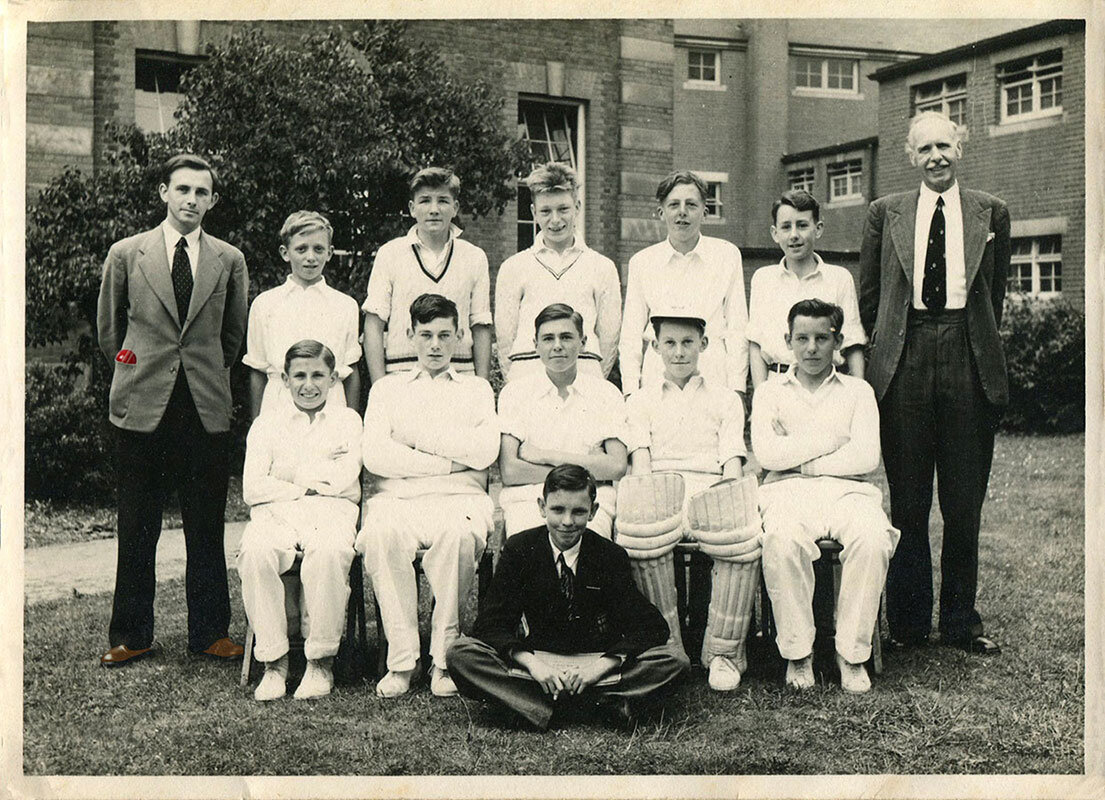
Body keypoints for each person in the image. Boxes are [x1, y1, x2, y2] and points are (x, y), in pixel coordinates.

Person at [859, 111, 1010, 655]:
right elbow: (871, 295)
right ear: (911, 155)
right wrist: (892, 348)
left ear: (960, 148)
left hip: (967, 354)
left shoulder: (991, 211)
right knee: (909, 501)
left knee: (964, 499)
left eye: (944, 146)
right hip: (908, 355)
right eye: (925, 149)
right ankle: (908, 625)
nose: (936, 157)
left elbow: (996, 292)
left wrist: (976, 346)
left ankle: (961, 621)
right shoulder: (885, 213)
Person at [96, 153, 248, 666]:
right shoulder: (126, 254)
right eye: (182, 189)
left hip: (203, 407)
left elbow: (232, 337)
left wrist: (200, 371)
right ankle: (131, 635)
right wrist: (141, 369)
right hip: (141, 408)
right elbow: (111, 332)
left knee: (206, 526)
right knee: (137, 524)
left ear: (212, 200)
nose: (191, 200)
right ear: (163, 192)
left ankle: (210, 633)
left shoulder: (229, 260)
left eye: (201, 192)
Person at [446, 464, 689, 730]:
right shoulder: (519, 549)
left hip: (593, 664)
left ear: (593, 511)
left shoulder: (608, 555)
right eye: (558, 510)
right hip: (538, 662)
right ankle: (601, 706)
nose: (567, 522)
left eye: (579, 511)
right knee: (461, 653)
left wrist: (597, 668)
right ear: (542, 507)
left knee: (675, 661)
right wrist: (534, 666)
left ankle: (534, 706)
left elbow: (650, 626)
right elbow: (491, 624)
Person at [751, 299, 899, 693]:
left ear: (838, 342)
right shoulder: (769, 392)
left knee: (872, 539)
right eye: (802, 338)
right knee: (781, 541)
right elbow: (766, 454)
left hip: (849, 491)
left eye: (822, 338)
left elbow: (866, 456)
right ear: (788, 341)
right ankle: (799, 654)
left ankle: (851, 654)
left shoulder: (858, 391)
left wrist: (799, 456)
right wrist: (832, 440)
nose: (812, 348)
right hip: (787, 493)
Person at [359, 294, 499, 699]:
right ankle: (403, 661)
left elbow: (485, 451)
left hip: (459, 500)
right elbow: (377, 456)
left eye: (444, 335)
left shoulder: (476, 389)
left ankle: (444, 659)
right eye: (426, 335)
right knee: (382, 535)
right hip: (400, 499)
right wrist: (450, 463)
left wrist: (415, 444)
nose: (435, 345)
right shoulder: (387, 389)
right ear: (409, 337)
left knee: (458, 535)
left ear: (459, 336)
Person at [621, 312, 759, 691]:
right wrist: (654, 499)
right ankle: (666, 650)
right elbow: (641, 464)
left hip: (710, 491)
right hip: (661, 489)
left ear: (704, 345)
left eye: (687, 343)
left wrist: (727, 500)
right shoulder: (640, 400)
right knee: (641, 534)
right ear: (655, 347)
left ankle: (723, 654)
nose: (679, 352)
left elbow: (732, 465)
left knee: (743, 537)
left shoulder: (727, 399)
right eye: (670, 343)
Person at [237, 340, 363, 701]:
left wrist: (288, 474)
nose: (309, 385)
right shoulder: (266, 424)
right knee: (256, 551)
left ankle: (320, 662)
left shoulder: (348, 420)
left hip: (331, 510)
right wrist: (314, 477)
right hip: (276, 511)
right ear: (284, 379)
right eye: (300, 376)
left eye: (318, 375)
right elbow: (252, 488)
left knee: (328, 550)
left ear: (334, 378)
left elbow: (344, 480)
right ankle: (274, 662)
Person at [497, 303, 628, 539]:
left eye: (566, 337)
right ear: (535, 345)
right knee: (528, 544)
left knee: (591, 546)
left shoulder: (606, 394)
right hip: (530, 498)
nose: (557, 346)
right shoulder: (515, 393)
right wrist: (589, 465)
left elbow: (616, 467)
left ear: (583, 342)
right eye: (548, 338)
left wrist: (547, 455)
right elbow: (510, 470)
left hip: (588, 499)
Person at [620, 169, 748, 395]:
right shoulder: (642, 262)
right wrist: (630, 390)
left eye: (691, 205)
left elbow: (737, 327)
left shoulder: (727, 255)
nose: (682, 212)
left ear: (704, 212)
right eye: (673, 205)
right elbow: (630, 333)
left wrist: (737, 388)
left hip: (713, 373)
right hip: (658, 374)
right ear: (661, 213)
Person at [362, 167, 492, 383]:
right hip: (402, 377)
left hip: (459, 378)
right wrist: (380, 386)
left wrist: (482, 386)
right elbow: (373, 324)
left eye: (442, 200)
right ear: (412, 208)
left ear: (455, 207)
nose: (434, 209)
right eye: (425, 201)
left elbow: (480, 325)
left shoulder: (474, 257)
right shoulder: (390, 254)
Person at [494, 162, 621, 381]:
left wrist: (593, 380)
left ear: (577, 207)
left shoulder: (602, 267)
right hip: (528, 377)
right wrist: (516, 382)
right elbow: (506, 338)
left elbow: (609, 337)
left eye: (563, 209)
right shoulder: (514, 267)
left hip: (584, 376)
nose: (555, 220)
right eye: (546, 211)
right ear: (534, 212)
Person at [243, 210, 362, 418]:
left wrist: (351, 423)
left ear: (330, 252)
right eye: (301, 249)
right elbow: (258, 370)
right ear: (285, 252)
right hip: (278, 406)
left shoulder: (345, 305)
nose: (310, 258)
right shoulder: (265, 304)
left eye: (318, 249)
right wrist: (257, 426)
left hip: (332, 407)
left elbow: (350, 370)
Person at [746, 190, 866, 389]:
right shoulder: (763, 279)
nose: (794, 235)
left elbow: (852, 342)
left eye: (802, 225)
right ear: (775, 233)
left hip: (827, 386)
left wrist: (860, 392)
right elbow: (756, 344)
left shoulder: (839, 278)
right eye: (786, 227)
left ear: (818, 229)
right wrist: (760, 396)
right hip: (777, 384)